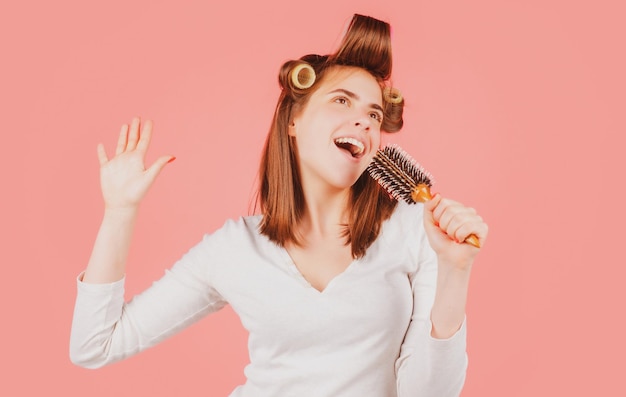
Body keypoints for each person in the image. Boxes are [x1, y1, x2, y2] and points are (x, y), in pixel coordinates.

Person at [70, 14, 488, 397]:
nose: (364, 121)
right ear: (294, 120)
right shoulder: (235, 247)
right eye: (341, 101)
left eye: (374, 115)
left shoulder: (418, 232)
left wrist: (456, 270)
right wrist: (120, 212)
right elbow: (94, 345)